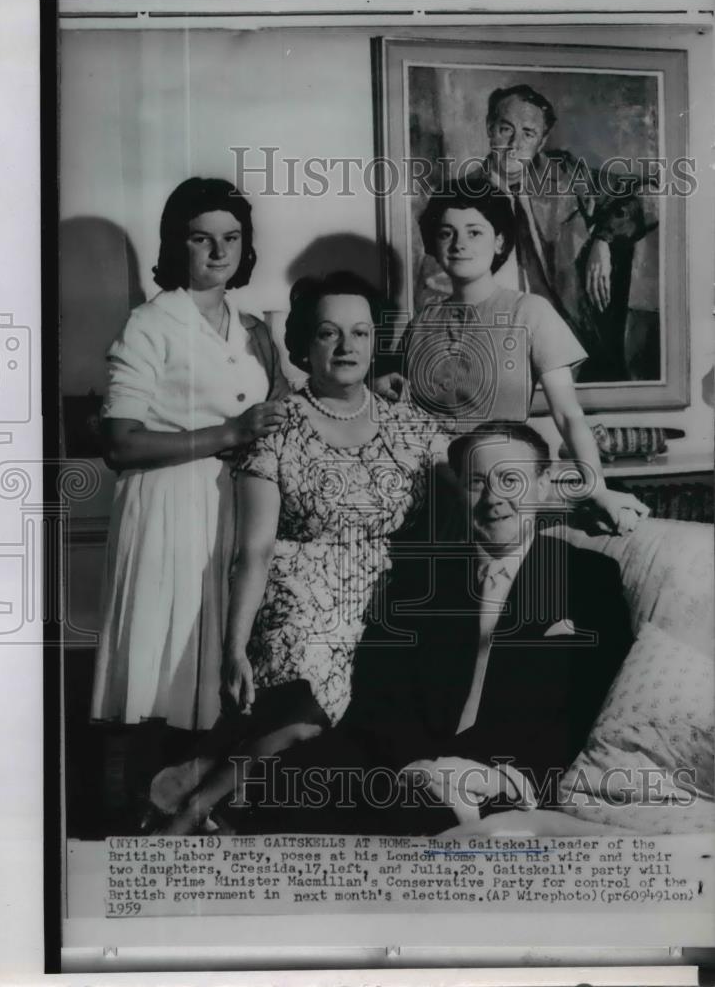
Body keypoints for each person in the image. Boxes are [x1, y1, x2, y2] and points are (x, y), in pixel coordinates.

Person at [147, 271, 442, 832]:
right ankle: (197, 808)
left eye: (359, 332)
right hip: (299, 595)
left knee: (370, 720)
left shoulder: (412, 425)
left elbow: (484, 470)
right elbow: (253, 551)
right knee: (311, 709)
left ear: (376, 342)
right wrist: (235, 648)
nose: (347, 346)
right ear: (305, 345)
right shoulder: (276, 429)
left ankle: (201, 777)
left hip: (387, 597)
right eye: (329, 333)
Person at [238, 422, 634, 835]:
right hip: (404, 766)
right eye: (477, 482)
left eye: (511, 480)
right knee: (281, 781)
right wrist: (417, 767)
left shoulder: (588, 578)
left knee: (408, 824)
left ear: (543, 485)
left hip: (504, 777)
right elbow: (377, 690)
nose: (494, 499)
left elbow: (595, 705)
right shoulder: (420, 579)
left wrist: (511, 777)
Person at [90, 177, 288, 733]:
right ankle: (140, 802)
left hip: (236, 508)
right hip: (167, 509)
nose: (220, 251)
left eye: (232, 237)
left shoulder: (253, 329)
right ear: (177, 245)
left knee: (221, 665)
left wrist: (374, 385)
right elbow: (119, 444)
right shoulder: (151, 324)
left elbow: (283, 409)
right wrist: (229, 432)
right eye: (202, 239)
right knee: (164, 671)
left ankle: (195, 804)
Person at [381, 181, 648, 535]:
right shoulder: (421, 324)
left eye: (474, 232)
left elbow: (568, 415)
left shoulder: (529, 312)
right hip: (427, 491)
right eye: (447, 233)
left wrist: (595, 486)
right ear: (434, 243)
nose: (460, 244)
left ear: (500, 242)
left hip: (498, 487)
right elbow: (399, 417)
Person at [416, 83, 657, 381]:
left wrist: (603, 239)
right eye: (506, 129)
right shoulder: (456, 199)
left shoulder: (566, 175)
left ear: (541, 142)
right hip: (498, 345)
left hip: (574, 339)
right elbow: (432, 292)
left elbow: (650, 196)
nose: (514, 144)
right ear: (490, 129)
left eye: (528, 134)